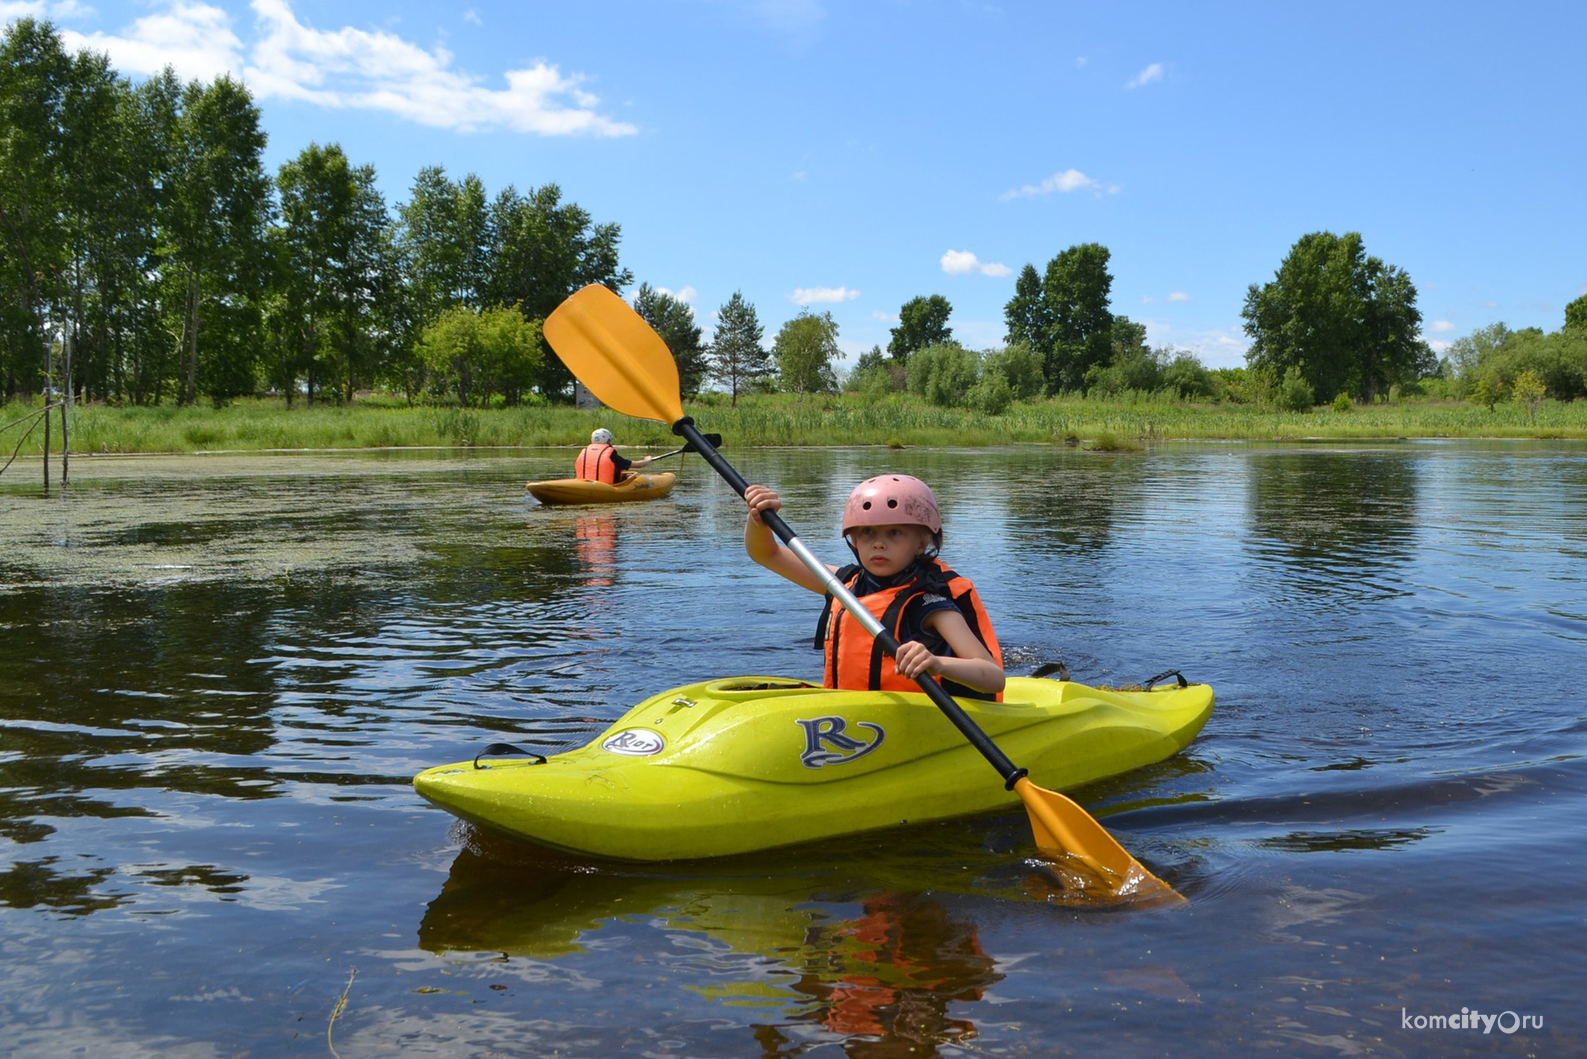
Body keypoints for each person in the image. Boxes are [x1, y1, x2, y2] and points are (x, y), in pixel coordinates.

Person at [744, 474, 1005, 699]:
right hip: (856, 720)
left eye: (895, 532)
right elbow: (767, 555)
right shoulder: (844, 584)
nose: (879, 544)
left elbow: (993, 677)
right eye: (868, 532)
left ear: (922, 542)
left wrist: (938, 663)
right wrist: (758, 519)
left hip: (915, 725)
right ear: (854, 539)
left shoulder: (931, 603)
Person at [575, 427, 659, 483]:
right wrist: (648, 459)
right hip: (605, 487)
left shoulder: (584, 451)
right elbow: (639, 465)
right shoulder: (611, 454)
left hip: (583, 485)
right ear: (606, 440)